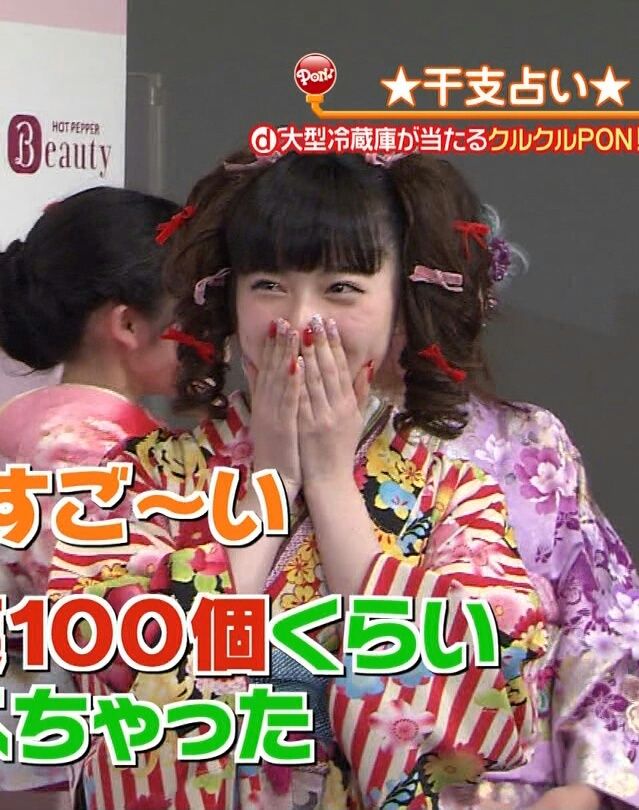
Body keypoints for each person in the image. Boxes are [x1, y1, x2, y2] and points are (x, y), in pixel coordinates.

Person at [48, 151, 549, 810]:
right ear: (229, 298)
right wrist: (274, 484)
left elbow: (492, 707)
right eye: (268, 285)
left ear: (400, 309)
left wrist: (331, 484)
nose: (300, 319)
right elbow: (109, 670)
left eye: (341, 288)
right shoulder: (143, 476)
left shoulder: (456, 495)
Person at [0, 186, 186, 802]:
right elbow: (136, 642)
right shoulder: (90, 452)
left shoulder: (38, 426)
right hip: (69, 751)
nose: (209, 336)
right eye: (189, 313)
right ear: (127, 324)